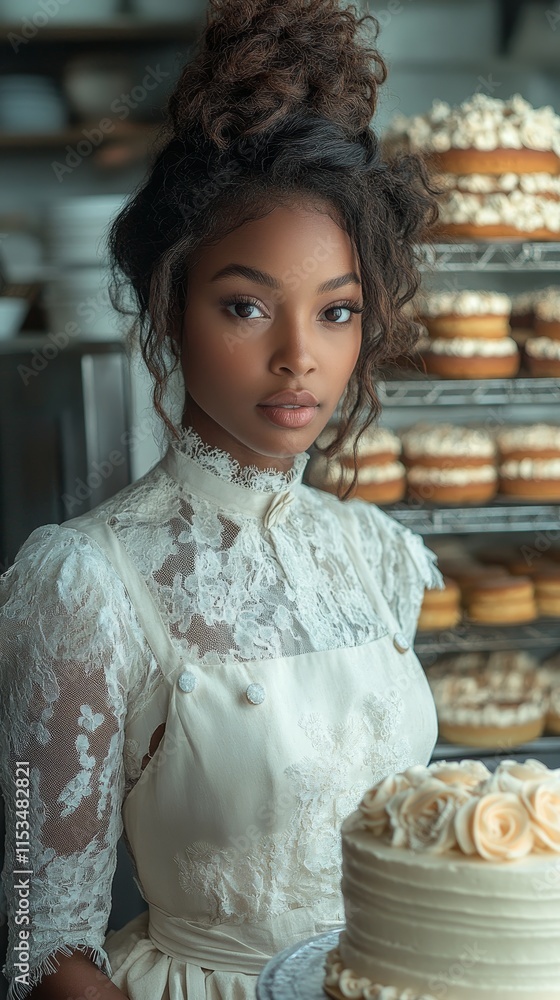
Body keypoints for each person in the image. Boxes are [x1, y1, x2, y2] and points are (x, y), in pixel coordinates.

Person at [0, 1, 443, 998]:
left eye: (335, 312)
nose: (298, 357)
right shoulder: (83, 584)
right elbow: (36, 934)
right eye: (245, 305)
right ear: (169, 304)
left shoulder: (378, 558)